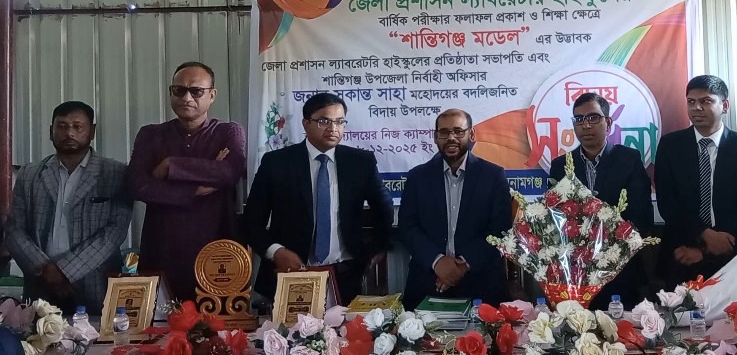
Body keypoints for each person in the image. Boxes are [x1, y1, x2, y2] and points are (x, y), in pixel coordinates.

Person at [244, 92, 394, 304]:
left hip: (345, 274)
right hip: (289, 272)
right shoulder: (277, 163)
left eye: (339, 122)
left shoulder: (360, 162)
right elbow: (251, 222)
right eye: (324, 121)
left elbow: (383, 208)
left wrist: (376, 248)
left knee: (346, 326)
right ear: (306, 124)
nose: (333, 128)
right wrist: (276, 252)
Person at [127, 62, 246, 300]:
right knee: (159, 319)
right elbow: (137, 185)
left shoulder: (227, 132)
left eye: (196, 91)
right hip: (162, 247)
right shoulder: (151, 134)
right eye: (179, 90)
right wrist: (195, 190)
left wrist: (169, 165)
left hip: (216, 248)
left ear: (212, 95)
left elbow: (229, 172)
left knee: (216, 322)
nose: (187, 98)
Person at [5, 102, 131, 314]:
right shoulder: (29, 174)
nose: (69, 133)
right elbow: (14, 230)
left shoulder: (115, 173)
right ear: (51, 132)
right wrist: (45, 270)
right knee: (38, 334)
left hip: (95, 284)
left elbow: (114, 232)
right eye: (62, 126)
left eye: (77, 126)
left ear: (92, 131)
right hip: (41, 283)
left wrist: (64, 271)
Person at [655, 76, 737, 289]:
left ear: (725, 105)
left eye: (706, 101)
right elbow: (668, 204)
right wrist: (703, 235)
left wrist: (707, 250)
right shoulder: (670, 146)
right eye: (691, 102)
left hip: (734, 251)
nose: (697, 108)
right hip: (682, 252)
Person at [399, 109, 513, 310]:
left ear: (472, 134)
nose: (451, 138)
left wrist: (463, 265)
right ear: (436, 137)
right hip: (428, 281)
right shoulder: (417, 178)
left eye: (458, 131)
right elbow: (408, 228)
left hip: (482, 283)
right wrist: (438, 262)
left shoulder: (493, 176)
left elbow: (501, 230)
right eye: (444, 132)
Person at [549, 93, 653, 310]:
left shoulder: (629, 159)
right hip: (577, 274)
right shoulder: (560, 166)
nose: (586, 125)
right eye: (579, 119)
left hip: (621, 271)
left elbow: (641, 215)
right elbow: (555, 220)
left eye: (593, 118)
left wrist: (609, 251)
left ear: (608, 123)